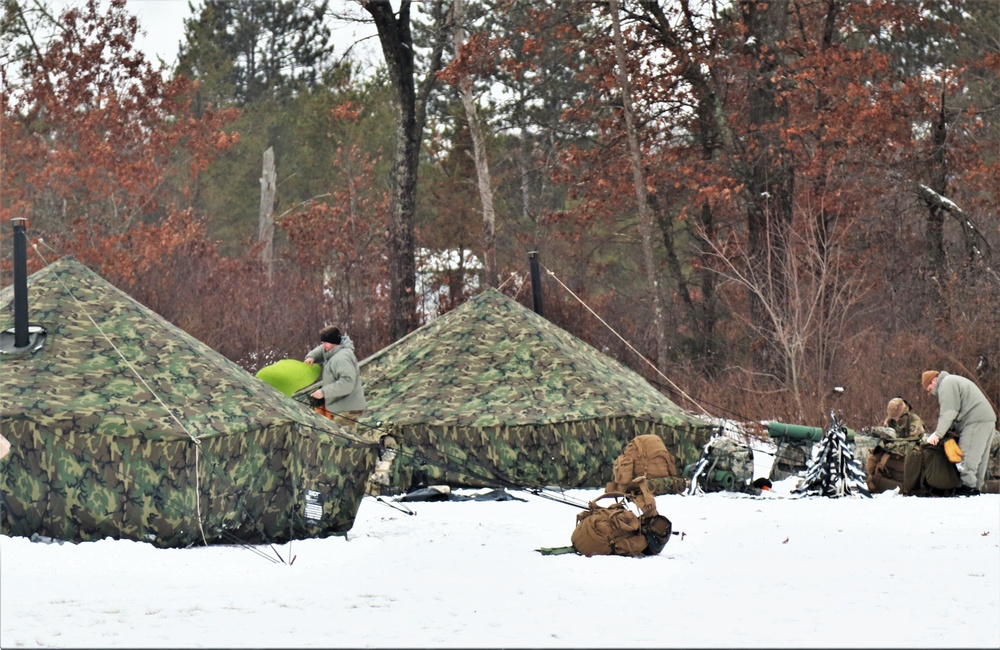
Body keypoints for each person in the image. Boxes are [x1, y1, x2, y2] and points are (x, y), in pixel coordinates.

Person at [921, 370, 997, 494]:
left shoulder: (946, 384)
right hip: (986, 419)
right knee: (979, 458)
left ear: (933, 380)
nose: (931, 392)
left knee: (966, 457)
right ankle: (976, 488)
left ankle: (968, 488)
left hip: (974, 420)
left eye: (929, 388)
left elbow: (949, 412)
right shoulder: (953, 380)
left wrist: (938, 434)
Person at [304, 325, 366, 428]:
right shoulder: (332, 350)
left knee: (342, 437)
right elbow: (320, 350)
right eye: (322, 342)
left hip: (347, 409)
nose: (323, 346)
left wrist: (323, 392)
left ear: (334, 342)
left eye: (325, 343)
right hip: (339, 407)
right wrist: (312, 357)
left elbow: (347, 383)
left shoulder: (342, 358)